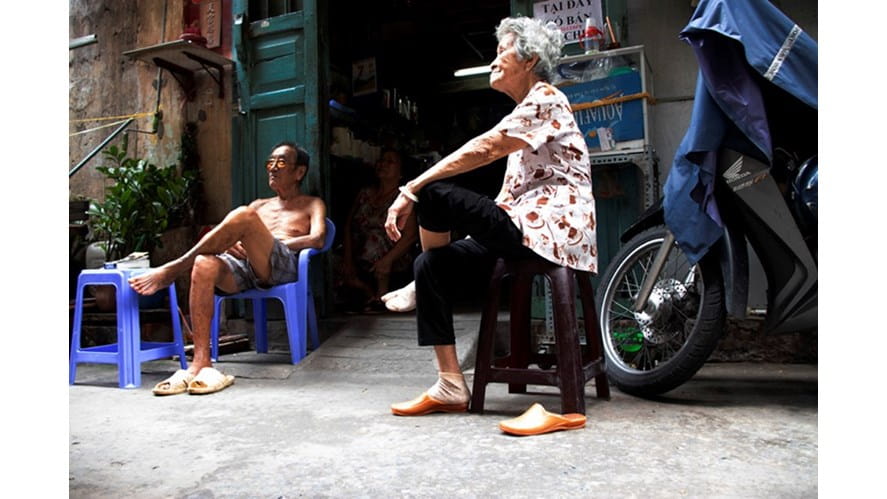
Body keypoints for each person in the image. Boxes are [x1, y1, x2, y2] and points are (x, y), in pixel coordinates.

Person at [384, 17, 597, 416]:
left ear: (530, 59)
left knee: (433, 194)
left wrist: (411, 187)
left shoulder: (546, 98)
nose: (494, 61)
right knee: (429, 262)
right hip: (524, 228)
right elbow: (505, 201)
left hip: (549, 230)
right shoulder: (525, 118)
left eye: (502, 53)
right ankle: (450, 383)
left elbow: (484, 148)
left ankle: (428, 274)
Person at [129, 141, 327, 395]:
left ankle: (173, 268)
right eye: (270, 163)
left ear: (299, 172)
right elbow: (232, 237)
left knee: (243, 216)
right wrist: (234, 245)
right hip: (245, 268)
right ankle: (201, 361)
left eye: (281, 163)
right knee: (204, 263)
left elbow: (318, 239)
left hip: (283, 266)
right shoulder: (259, 205)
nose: (273, 169)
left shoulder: (312, 204)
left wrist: (270, 241)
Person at [338, 148, 418, 313]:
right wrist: (347, 259)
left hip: (391, 253)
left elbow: (411, 235)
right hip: (359, 249)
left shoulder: (403, 198)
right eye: (381, 160)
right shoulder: (365, 194)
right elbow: (348, 225)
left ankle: (381, 296)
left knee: (374, 240)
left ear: (401, 172)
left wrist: (387, 260)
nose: (383, 164)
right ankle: (367, 292)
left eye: (390, 162)